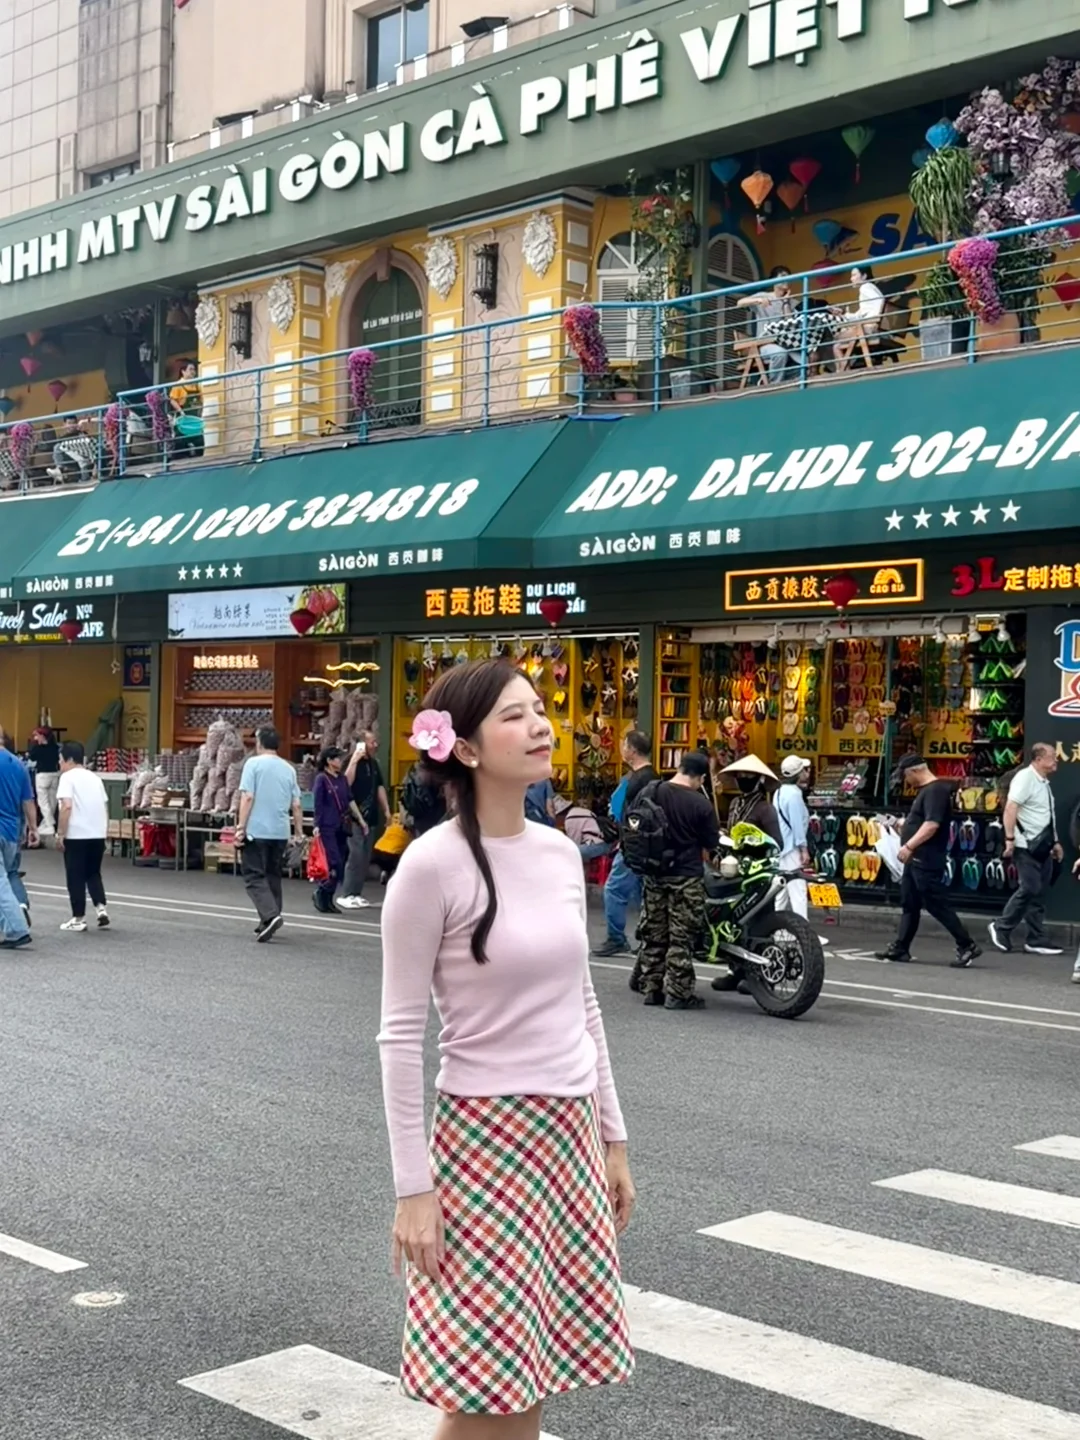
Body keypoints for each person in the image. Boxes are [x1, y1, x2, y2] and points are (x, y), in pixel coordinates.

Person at [378, 661, 634, 1430]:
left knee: (534, 1377)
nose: (541, 726)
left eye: (540, 710)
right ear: (465, 750)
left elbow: (581, 1001)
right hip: (486, 1141)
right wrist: (413, 1189)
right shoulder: (429, 867)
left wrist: (613, 1137)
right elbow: (398, 1036)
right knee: (484, 1389)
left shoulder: (559, 853)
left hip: (567, 1137)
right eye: (515, 717)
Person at [877, 755, 981, 969]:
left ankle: (967, 944)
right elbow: (922, 823)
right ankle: (901, 946)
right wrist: (900, 825)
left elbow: (932, 825)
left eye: (905, 776)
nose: (906, 782)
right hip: (916, 858)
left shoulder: (935, 791)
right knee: (910, 903)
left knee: (936, 904)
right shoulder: (928, 792)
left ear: (914, 771)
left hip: (925, 858)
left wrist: (909, 846)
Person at [636, 751, 720, 1010]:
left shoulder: (651, 791)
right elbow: (711, 842)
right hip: (686, 878)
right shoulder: (700, 804)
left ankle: (651, 988)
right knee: (681, 938)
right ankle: (678, 993)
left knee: (654, 933)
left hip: (653, 874)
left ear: (679, 767)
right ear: (700, 778)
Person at [987, 743, 1064, 956]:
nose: (1055, 760)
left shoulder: (1043, 782)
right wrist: (1010, 839)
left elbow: (1046, 816)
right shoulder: (1025, 778)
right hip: (1025, 845)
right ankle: (1001, 927)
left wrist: (1055, 842)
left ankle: (1036, 939)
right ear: (1038, 759)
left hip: (1043, 846)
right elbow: (1011, 808)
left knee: (1039, 892)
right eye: (1051, 757)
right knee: (1030, 888)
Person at [236, 727, 304, 943]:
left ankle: (270, 915)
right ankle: (269, 918)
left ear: (260, 743)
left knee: (254, 875)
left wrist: (240, 827)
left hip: (256, 830)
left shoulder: (253, 764)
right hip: (280, 831)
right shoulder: (289, 768)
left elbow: (247, 797)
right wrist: (299, 832)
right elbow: (296, 804)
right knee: (272, 874)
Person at [594, 730, 657, 958]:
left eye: (624, 745)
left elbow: (630, 816)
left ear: (632, 750)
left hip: (633, 844)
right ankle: (650, 940)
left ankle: (616, 938)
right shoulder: (653, 777)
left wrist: (625, 840)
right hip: (647, 844)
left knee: (614, 889)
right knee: (644, 893)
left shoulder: (635, 781)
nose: (622, 749)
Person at [56, 741, 110, 933]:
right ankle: (101, 908)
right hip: (97, 832)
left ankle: (78, 917)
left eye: (61, 761)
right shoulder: (95, 778)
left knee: (75, 875)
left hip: (76, 833)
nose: (60, 765)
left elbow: (66, 806)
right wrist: (105, 831)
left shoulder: (67, 778)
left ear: (69, 760)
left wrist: (60, 833)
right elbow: (104, 806)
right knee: (93, 872)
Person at [774, 754, 827, 934]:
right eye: (804, 770)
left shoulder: (778, 792)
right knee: (798, 891)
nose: (807, 773)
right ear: (798, 773)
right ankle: (803, 933)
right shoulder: (795, 795)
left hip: (781, 848)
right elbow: (797, 825)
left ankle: (777, 930)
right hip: (792, 849)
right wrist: (804, 850)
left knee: (780, 892)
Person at [339, 729, 391, 909]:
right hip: (353, 816)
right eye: (371, 742)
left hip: (370, 816)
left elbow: (379, 788)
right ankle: (347, 892)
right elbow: (346, 783)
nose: (375, 745)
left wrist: (386, 810)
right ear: (361, 744)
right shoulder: (350, 761)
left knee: (365, 855)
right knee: (356, 854)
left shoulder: (374, 764)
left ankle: (357, 892)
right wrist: (354, 759)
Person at [311, 745, 363, 915]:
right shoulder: (321, 779)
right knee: (334, 861)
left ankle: (328, 897)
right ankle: (322, 892)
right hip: (327, 826)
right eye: (338, 758)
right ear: (329, 761)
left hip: (342, 825)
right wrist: (316, 825)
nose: (340, 761)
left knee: (342, 858)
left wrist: (360, 820)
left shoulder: (341, 779)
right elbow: (318, 804)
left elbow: (349, 800)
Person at [0, 741, 36, 949]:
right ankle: (17, 908)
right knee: (9, 874)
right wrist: (33, 828)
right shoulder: (18, 764)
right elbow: (28, 801)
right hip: (11, 831)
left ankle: (16, 928)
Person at [743, 264, 797, 385]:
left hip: (785, 343)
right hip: (764, 345)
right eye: (783, 276)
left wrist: (786, 303)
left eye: (789, 277)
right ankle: (774, 385)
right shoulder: (764, 296)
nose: (787, 280)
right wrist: (757, 301)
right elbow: (740, 302)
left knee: (805, 354)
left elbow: (790, 322)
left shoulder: (792, 302)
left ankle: (793, 381)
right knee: (780, 353)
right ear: (774, 280)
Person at [723, 754, 783, 846]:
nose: (744, 778)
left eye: (748, 775)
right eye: (740, 775)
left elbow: (777, 843)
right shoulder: (735, 803)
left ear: (760, 778)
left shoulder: (765, 809)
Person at [558, 788, 612, 863]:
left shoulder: (570, 819)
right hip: (605, 842)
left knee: (569, 853)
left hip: (598, 845)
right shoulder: (577, 811)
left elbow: (574, 843)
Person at [28, 725, 61, 837]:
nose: (35, 738)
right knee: (52, 802)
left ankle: (49, 825)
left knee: (43, 802)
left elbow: (31, 757)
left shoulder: (38, 748)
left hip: (42, 775)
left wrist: (35, 745)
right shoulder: (55, 747)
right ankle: (46, 824)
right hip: (54, 774)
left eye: (37, 735)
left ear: (42, 736)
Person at [169, 359, 204, 459]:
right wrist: (181, 411)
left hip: (194, 420)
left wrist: (201, 412)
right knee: (181, 445)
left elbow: (201, 400)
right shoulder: (178, 385)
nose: (193, 372)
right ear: (183, 371)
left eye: (194, 369)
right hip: (183, 419)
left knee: (199, 443)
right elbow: (172, 400)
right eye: (190, 369)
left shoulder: (197, 385)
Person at [45, 416, 96, 484]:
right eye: (69, 423)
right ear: (64, 425)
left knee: (80, 459)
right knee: (57, 447)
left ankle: (59, 470)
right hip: (69, 460)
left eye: (73, 423)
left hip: (83, 458)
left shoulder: (81, 434)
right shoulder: (62, 438)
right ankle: (59, 469)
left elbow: (88, 447)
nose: (72, 425)